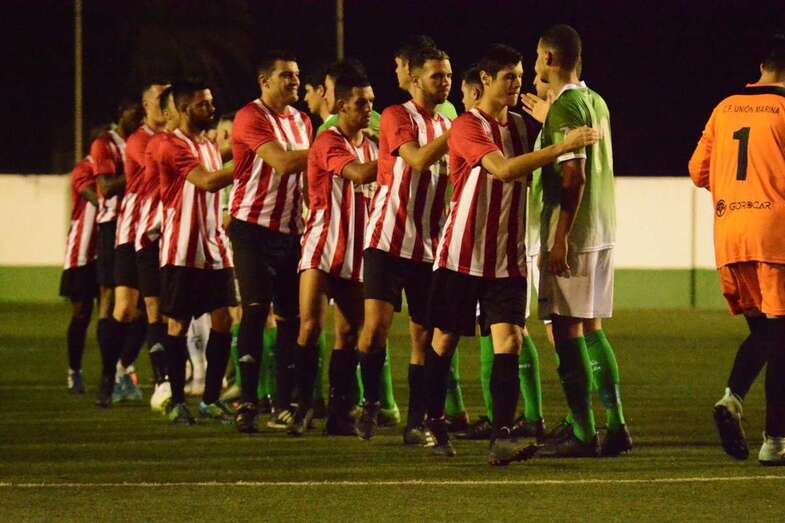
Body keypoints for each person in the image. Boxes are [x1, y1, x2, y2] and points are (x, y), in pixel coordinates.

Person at [425, 43, 598, 463]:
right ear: (485, 80)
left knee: (511, 340)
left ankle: (501, 435)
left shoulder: (522, 126)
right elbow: (502, 170)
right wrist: (559, 146)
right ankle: (432, 419)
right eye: (508, 77)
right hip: (462, 256)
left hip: (507, 258)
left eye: (520, 76)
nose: (516, 84)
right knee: (445, 340)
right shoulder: (468, 126)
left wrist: (553, 129)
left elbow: (547, 158)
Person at [528, 25, 629, 458]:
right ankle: (616, 425)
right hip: (602, 231)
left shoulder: (566, 106)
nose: (535, 65)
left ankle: (583, 433)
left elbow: (573, 175)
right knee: (591, 329)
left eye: (536, 56)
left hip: (573, 236)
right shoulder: (596, 101)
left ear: (549, 57)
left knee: (565, 331)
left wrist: (559, 237)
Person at [689, 34, 785, 466]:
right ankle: (776, 442)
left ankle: (731, 399)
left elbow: (697, 171)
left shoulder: (724, 108)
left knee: (764, 334)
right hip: (774, 238)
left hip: (730, 236)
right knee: (782, 338)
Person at [358, 46, 453, 445]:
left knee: (423, 337)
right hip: (387, 238)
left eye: (448, 75)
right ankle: (371, 404)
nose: (445, 82)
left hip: (428, 247)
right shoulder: (398, 116)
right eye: (436, 76)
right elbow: (415, 161)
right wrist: (457, 135)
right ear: (415, 80)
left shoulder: (451, 121)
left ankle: (416, 422)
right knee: (376, 328)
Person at [291, 65, 378, 436]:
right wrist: (400, 156)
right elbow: (358, 174)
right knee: (310, 326)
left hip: (357, 250)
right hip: (322, 245)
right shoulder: (329, 141)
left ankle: (339, 411)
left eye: (372, 102)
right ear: (341, 105)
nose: (368, 109)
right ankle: (300, 405)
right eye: (361, 103)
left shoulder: (373, 144)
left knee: (349, 333)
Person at [229, 51, 313, 433]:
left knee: (290, 318)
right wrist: (330, 152)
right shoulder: (251, 117)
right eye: (286, 76)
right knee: (255, 309)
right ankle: (247, 400)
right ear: (265, 82)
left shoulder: (302, 120)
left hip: (291, 230)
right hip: (253, 228)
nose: (295, 81)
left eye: (296, 75)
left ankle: (284, 402)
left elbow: (306, 176)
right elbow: (281, 162)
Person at [157, 80, 237, 424]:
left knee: (223, 320)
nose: (212, 108)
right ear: (187, 109)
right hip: (182, 249)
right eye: (204, 104)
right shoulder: (170, 146)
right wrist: (248, 162)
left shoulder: (206, 145)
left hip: (214, 247)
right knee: (177, 323)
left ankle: (209, 399)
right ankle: (177, 400)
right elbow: (206, 181)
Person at [111, 81, 170, 403]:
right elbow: (160, 171)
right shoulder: (139, 140)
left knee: (156, 309)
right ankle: (115, 373)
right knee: (126, 309)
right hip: (135, 231)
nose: (166, 104)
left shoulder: (175, 139)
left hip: (166, 232)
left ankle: (134, 371)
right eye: (160, 99)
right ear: (147, 106)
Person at [90, 100, 143, 407]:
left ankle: (125, 365)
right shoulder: (104, 144)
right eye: (131, 110)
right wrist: (139, 172)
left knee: (147, 308)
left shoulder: (148, 138)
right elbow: (106, 188)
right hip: (114, 226)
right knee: (112, 302)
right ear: (119, 112)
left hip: (145, 226)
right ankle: (108, 376)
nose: (136, 115)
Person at [135, 86, 179, 412]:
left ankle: (189, 383)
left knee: (178, 313)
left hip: (177, 237)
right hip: (152, 236)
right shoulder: (160, 144)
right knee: (155, 310)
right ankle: (162, 383)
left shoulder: (190, 142)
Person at [60, 154, 99, 394]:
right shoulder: (83, 169)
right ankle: (74, 370)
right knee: (82, 312)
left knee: (123, 311)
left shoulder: (119, 165)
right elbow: (93, 197)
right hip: (82, 253)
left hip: (107, 250)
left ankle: (119, 370)